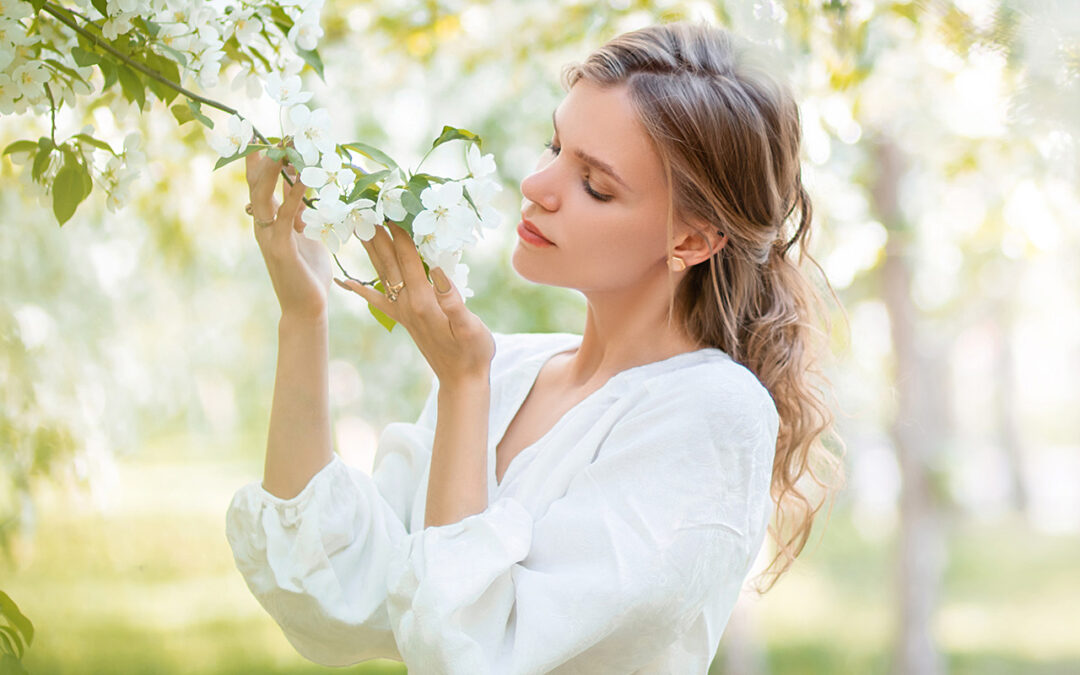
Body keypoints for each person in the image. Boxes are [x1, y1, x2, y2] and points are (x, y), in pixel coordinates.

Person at [226, 21, 842, 674]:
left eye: (595, 185)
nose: (537, 186)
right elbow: (338, 591)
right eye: (554, 146)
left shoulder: (711, 414)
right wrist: (305, 312)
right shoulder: (511, 368)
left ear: (691, 241)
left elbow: (469, 654)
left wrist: (465, 385)